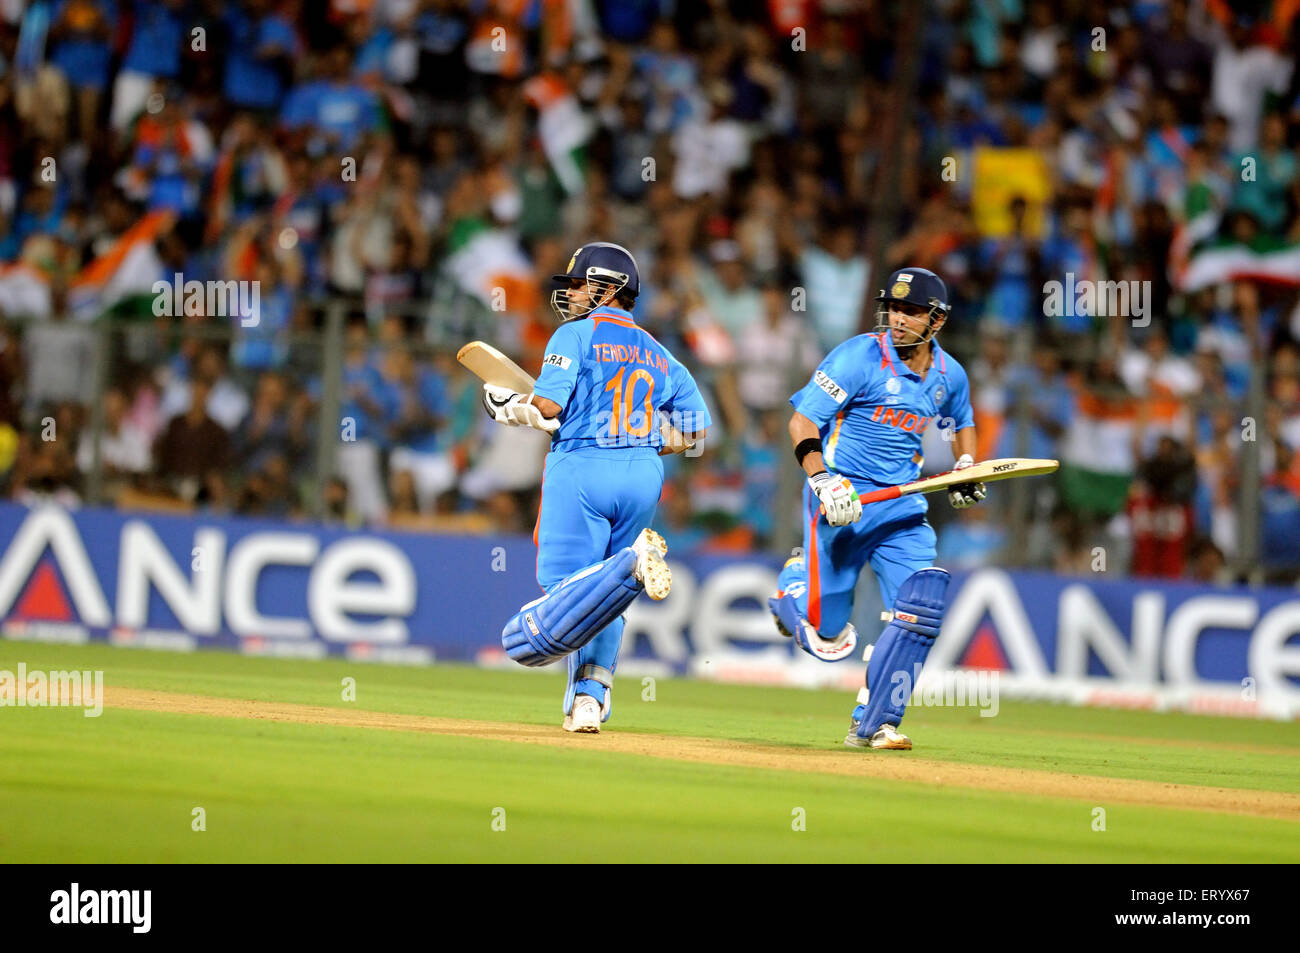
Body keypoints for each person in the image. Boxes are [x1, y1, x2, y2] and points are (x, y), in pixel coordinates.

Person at [483, 242, 711, 733]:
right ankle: (590, 698)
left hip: (584, 467)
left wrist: (507, 408)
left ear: (608, 288)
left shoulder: (574, 335)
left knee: (567, 588)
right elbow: (695, 431)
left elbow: (546, 409)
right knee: (605, 595)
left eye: (579, 283)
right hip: (643, 475)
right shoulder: (661, 352)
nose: (570, 293)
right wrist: (644, 440)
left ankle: (628, 571)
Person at [769, 267, 984, 750]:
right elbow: (802, 422)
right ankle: (794, 586)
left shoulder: (950, 374)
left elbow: (961, 421)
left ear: (938, 320)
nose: (899, 319)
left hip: (902, 507)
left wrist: (967, 463)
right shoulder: (857, 356)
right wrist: (822, 479)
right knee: (828, 635)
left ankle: (875, 720)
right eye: (894, 308)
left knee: (920, 609)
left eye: (912, 311)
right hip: (842, 499)